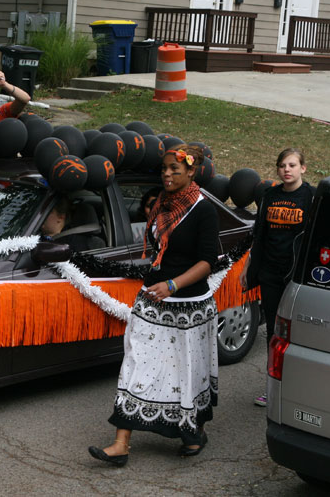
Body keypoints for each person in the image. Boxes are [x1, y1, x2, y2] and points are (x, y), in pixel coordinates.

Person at [89, 144, 219, 466]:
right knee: (136, 362)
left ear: (191, 172)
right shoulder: (160, 203)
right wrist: (157, 280)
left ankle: (193, 433)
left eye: (175, 169)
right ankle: (121, 443)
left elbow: (207, 262)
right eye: (164, 169)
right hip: (153, 297)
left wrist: (174, 284)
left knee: (187, 371)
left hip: (189, 303)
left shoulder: (203, 209)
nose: (167, 174)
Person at [239, 148, 315, 407]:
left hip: (296, 276)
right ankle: (273, 387)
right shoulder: (270, 195)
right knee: (274, 332)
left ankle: (302, 387)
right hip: (270, 272)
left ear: (303, 168)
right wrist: (249, 267)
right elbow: (259, 234)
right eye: (282, 165)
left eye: (292, 165)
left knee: (300, 332)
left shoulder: (312, 197)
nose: (287, 170)